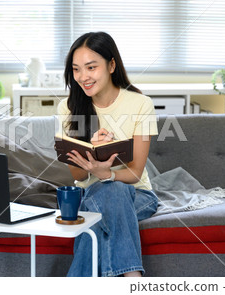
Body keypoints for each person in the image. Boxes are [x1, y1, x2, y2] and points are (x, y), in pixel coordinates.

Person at [56, 32, 159, 277]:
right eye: (76, 69)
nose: (83, 77)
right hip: (88, 193)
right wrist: (92, 160)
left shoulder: (140, 105)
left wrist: (107, 173)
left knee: (112, 192)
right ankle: (133, 279)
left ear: (111, 65)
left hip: (138, 194)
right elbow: (79, 176)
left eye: (91, 67)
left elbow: (135, 174)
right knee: (106, 201)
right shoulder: (68, 108)